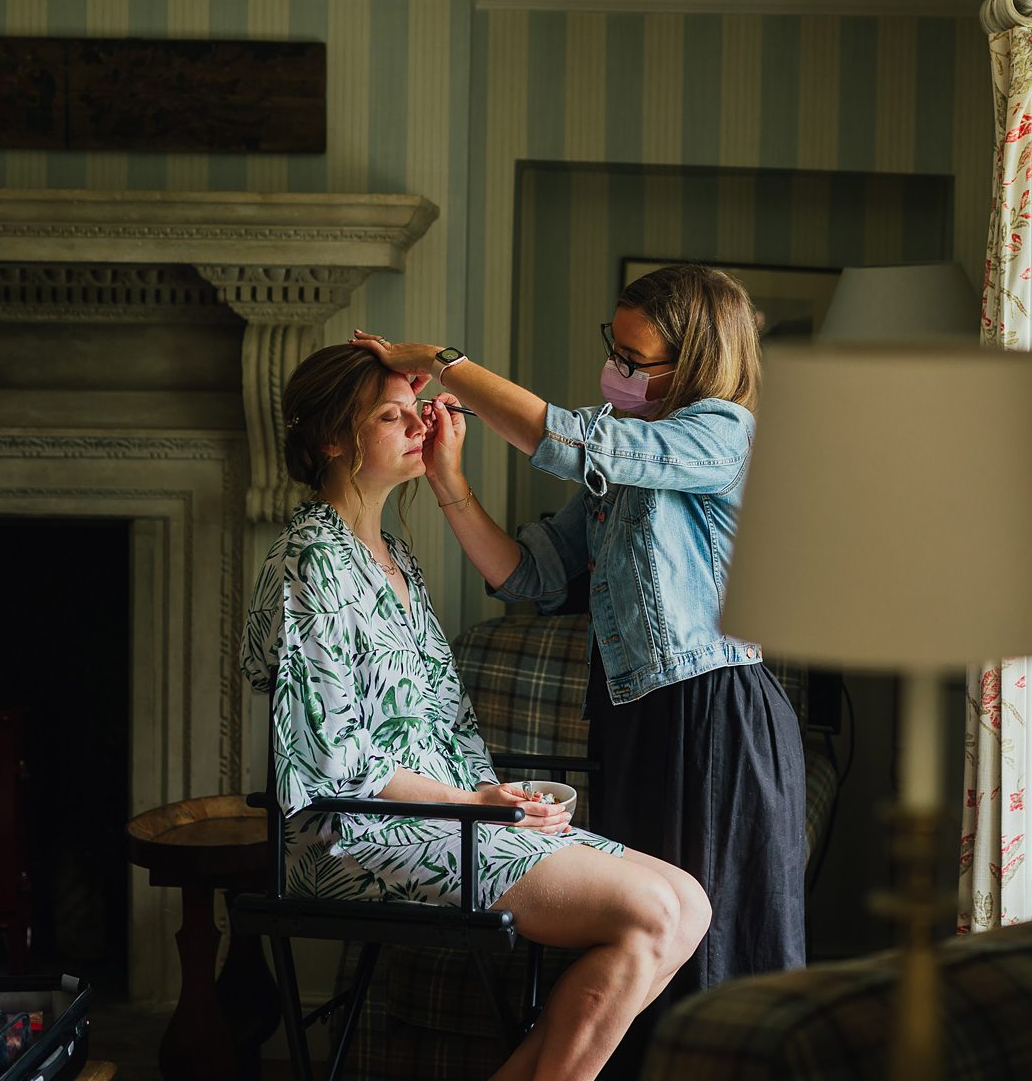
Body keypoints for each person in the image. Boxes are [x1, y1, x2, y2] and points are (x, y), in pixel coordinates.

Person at [239, 344, 710, 1081]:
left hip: (448, 819)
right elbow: (336, 765)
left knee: (688, 903)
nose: (417, 427)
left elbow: (441, 730)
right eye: (391, 416)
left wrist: (497, 799)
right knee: (654, 911)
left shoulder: (393, 554)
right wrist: (475, 804)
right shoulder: (311, 561)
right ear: (333, 439)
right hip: (354, 836)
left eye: (414, 412)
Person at [354, 263, 808, 1024]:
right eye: (615, 349)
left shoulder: (722, 434)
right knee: (646, 951)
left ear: (694, 362)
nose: (617, 372)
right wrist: (447, 478)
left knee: (717, 960)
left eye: (637, 362)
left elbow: (566, 439)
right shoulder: (630, 468)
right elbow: (528, 575)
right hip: (637, 722)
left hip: (715, 718)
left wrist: (441, 363)